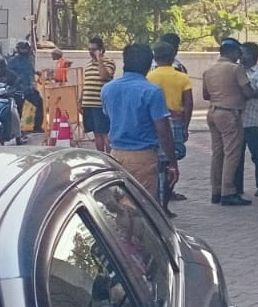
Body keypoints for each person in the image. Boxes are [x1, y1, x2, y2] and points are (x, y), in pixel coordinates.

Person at [100, 43, 180, 201]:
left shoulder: (107, 89)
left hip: (116, 154)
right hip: (143, 157)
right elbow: (163, 131)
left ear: (125, 62)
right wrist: (172, 162)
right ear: (148, 65)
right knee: (144, 205)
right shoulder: (152, 91)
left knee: (122, 205)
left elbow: (109, 116)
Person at [202, 39, 258, 207]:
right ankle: (228, 191)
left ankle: (216, 191)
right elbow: (247, 92)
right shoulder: (236, 69)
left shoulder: (209, 70)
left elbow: (205, 95)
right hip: (229, 113)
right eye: (238, 52)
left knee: (217, 153)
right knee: (232, 153)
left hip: (213, 112)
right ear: (233, 52)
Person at [148, 41, 194, 211]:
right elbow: (188, 103)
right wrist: (185, 126)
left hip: (155, 123)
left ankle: (156, 203)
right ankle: (165, 205)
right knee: (171, 163)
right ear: (173, 56)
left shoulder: (149, 77)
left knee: (157, 163)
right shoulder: (182, 77)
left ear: (155, 57)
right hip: (175, 122)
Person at [235, 42, 258, 198]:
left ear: (251, 55)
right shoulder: (238, 71)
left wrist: (247, 92)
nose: (240, 56)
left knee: (257, 155)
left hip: (253, 120)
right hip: (239, 120)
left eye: (242, 53)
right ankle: (237, 187)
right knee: (237, 156)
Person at [81, 38, 116, 153]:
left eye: (94, 49)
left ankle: (109, 156)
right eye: (89, 49)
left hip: (100, 104)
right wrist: (81, 100)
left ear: (101, 50)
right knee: (96, 133)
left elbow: (104, 76)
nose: (91, 52)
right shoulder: (88, 65)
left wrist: (99, 60)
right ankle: (101, 155)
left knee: (105, 132)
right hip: (88, 104)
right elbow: (86, 84)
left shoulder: (109, 62)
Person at [6, 41, 45, 133]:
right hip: (18, 90)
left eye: (26, 48)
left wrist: (36, 73)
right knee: (18, 109)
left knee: (40, 104)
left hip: (30, 89)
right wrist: (17, 79)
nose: (25, 50)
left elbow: (29, 71)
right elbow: (9, 73)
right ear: (18, 49)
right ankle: (16, 130)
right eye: (22, 48)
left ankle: (37, 127)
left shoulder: (29, 59)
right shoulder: (13, 61)